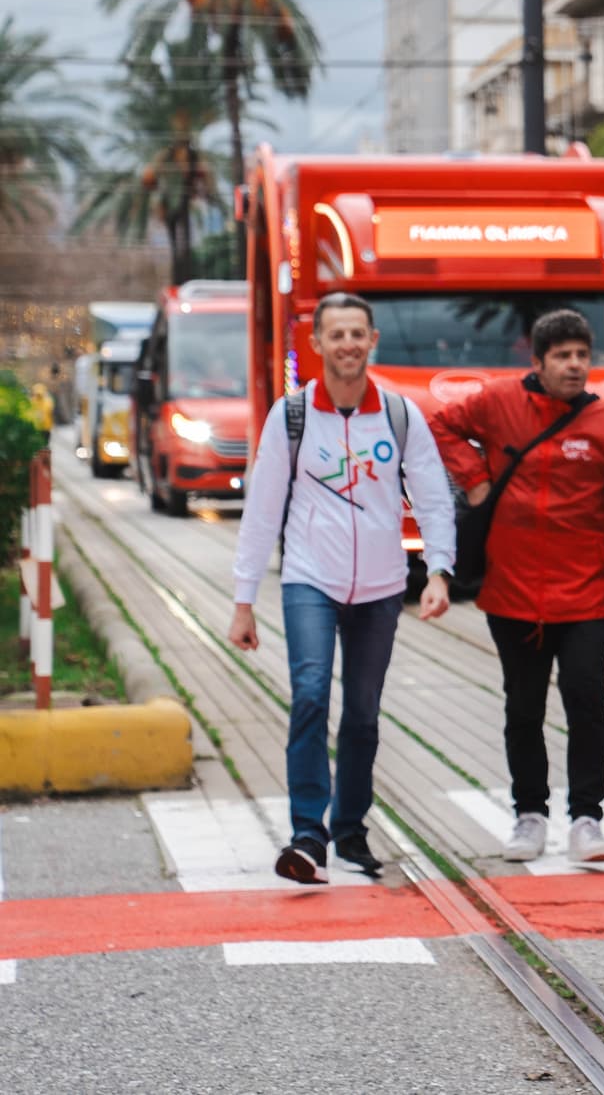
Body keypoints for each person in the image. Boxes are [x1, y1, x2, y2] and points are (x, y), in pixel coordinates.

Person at [229, 292, 457, 883]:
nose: (348, 345)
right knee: (309, 695)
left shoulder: (401, 416)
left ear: (372, 340)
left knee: (362, 714)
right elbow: (262, 509)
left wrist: (439, 571)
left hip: (382, 588)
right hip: (311, 579)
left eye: (358, 334)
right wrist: (243, 600)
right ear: (317, 344)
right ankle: (309, 834)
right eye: (337, 335)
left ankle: (350, 829)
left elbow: (432, 496)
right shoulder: (293, 417)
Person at [429, 309, 604, 865]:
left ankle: (587, 818)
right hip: (512, 592)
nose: (576, 365)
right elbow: (440, 424)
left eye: (582, 354)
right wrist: (478, 481)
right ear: (538, 362)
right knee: (524, 708)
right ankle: (529, 815)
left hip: (584, 592)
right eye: (563, 356)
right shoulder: (499, 402)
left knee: (587, 700)